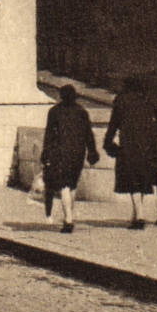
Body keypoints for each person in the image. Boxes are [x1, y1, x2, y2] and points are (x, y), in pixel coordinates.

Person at [40, 84, 99, 233]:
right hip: (78, 153)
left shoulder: (54, 111)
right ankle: (70, 215)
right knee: (72, 185)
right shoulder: (82, 111)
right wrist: (92, 151)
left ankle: (68, 220)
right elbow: (88, 134)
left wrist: (45, 154)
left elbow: (49, 135)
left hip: (60, 153)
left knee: (64, 185)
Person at [103, 76, 157, 229]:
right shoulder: (148, 99)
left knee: (132, 180)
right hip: (147, 146)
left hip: (128, 145)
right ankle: (135, 215)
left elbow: (113, 123)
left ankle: (139, 216)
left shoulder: (121, 100)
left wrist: (108, 142)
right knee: (141, 179)